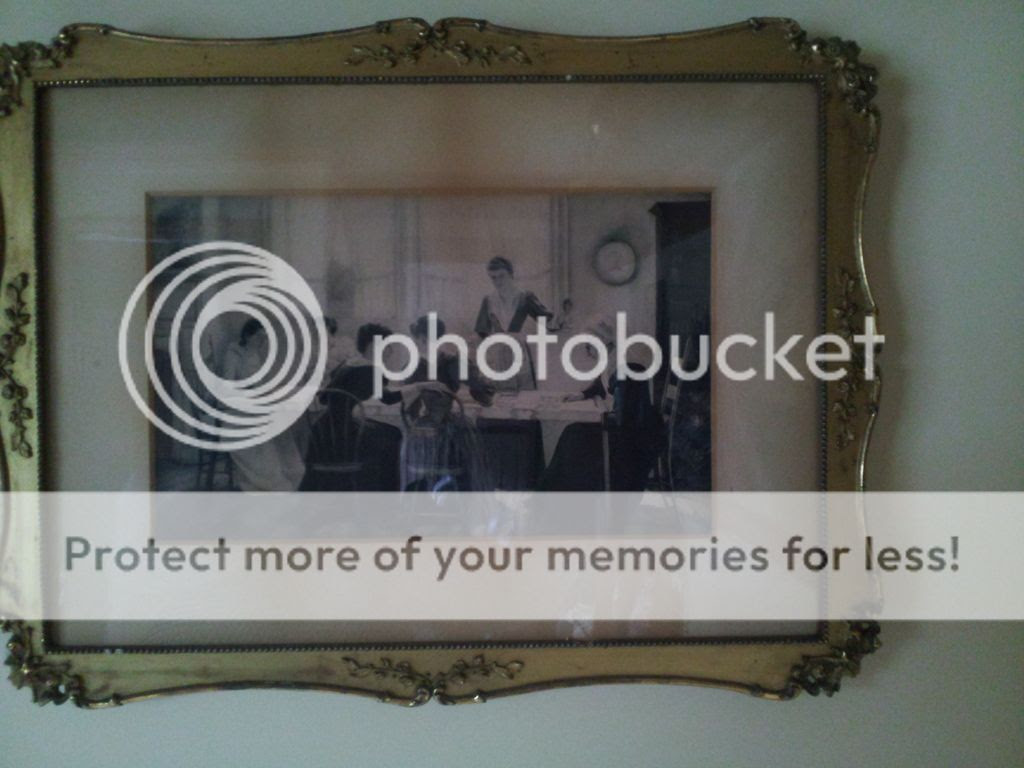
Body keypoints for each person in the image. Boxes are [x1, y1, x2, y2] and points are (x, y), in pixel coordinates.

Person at [538, 318, 662, 491]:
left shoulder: (625, 367)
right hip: (622, 429)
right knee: (572, 433)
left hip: (632, 438)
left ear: (603, 343)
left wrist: (599, 416)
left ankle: (554, 492)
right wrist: (582, 395)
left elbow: (626, 418)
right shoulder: (612, 360)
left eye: (589, 346)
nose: (587, 351)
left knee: (574, 436)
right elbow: (602, 385)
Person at [300, 323, 402, 491]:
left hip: (323, 431)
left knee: (383, 431)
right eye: (388, 345)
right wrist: (419, 387)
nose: (390, 351)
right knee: (394, 434)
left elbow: (324, 399)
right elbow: (389, 399)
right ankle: (384, 492)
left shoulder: (348, 364)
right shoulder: (370, 368)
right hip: (345, 436)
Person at [222, 319, 306, 491]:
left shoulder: (254, 354)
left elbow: (258, 383)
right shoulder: (234, 354)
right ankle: (271, 479)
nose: (262, 341)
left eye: (265, 338)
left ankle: (288, 470)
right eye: (259, 337)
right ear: (248, 335)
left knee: (281, 432)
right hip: (237, 412)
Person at [474, 256, 553, 391]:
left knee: (522, 388)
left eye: (501, 276)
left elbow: (547, 319)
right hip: (497, 350)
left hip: (518, 347)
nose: (498, 281)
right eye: (493, 278)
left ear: (511, 275)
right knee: (500, 389)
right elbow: (482, 332)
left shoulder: (524, 297)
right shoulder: (489, 300)